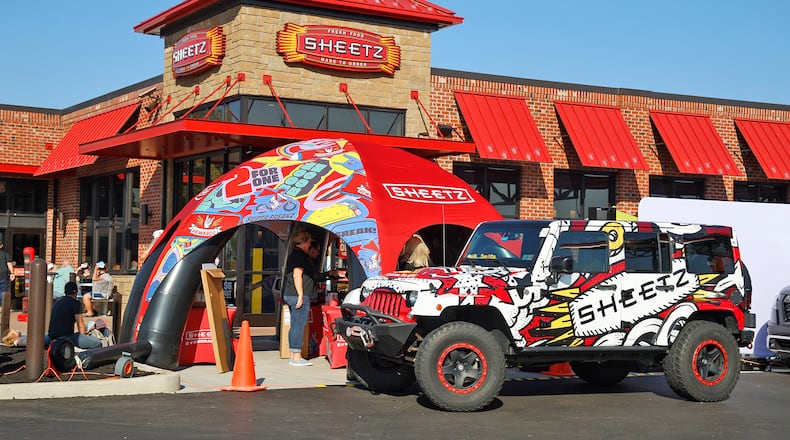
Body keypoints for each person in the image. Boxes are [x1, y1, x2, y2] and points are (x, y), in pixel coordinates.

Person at [282, 231, 317, 367]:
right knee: (298, 325)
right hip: (296, 295)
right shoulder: (298, 255)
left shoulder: (296, 254)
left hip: (292, 294)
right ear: (304, 241)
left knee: (295, 324)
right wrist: (301, 295)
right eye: (308, 242)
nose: (310, 244)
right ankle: (296, 357)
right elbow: (297, 275)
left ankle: (293, 354)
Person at [46, 281, 101, 349]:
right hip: (66, 337)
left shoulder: (57, 301)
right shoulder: (75, 303)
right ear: (76, 292)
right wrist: (84, 336)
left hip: (52, 336)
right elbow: (80, 324)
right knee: (97, 343)